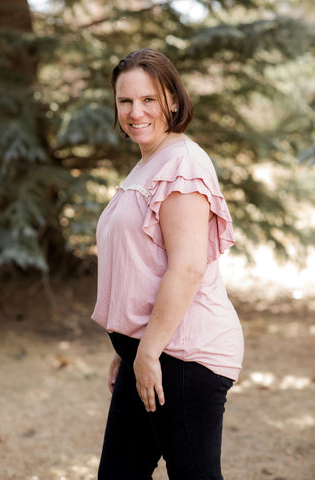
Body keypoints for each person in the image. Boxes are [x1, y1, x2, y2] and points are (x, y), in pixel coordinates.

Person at [92, 48, 244, 480]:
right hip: (149, 349)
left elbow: (187, 268)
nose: (135, 111)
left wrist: (149, 349)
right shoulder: (149, 161)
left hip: (182, 356)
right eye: (125, 101)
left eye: (148, 100)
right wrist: (129, 345)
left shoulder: (182, 164)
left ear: (172, 101)